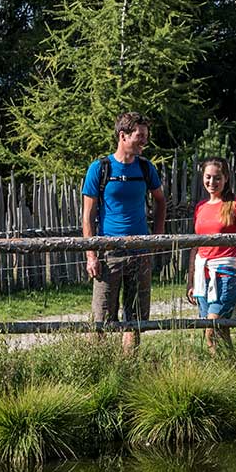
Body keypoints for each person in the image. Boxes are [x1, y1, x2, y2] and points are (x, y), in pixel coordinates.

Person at [82, 112, 166, 352]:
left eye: (146, 137)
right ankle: (97, 366)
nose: (144, 142)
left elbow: (161, 201)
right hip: (109, 253)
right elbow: (87, 216)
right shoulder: (100, 169)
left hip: (140, 252)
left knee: (135, 317)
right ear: (123, 136)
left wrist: (156, 239)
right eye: (140, 136)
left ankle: (129, 367)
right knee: (102, 317)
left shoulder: (146, 168)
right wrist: (91, 255)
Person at [188, 157, 236, 352]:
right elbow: (195, 244)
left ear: (225, 179)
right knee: (222, 329)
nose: (212, 183)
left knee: (211, 328)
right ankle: (232, 369)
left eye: (217, 178)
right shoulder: (200, 207)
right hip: (203, 275)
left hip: (226, 273)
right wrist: (190, 280)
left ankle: (216, 370)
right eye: (208, 177)